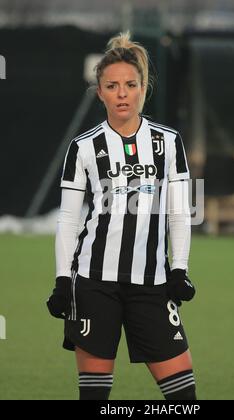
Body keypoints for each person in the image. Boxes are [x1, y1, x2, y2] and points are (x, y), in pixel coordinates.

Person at [47, 31, 197, 400]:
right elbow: (68, 219)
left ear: (144, 88)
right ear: (100, 92)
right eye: (111, 86)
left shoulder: (168, 142)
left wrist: (179, 268)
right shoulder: (83, 147)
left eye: (130, 84)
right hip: (94, 283)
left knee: (184, 398)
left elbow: (179, 212)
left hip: (152, 283)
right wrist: (63, 280)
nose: (122, 93)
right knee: (94, 398)